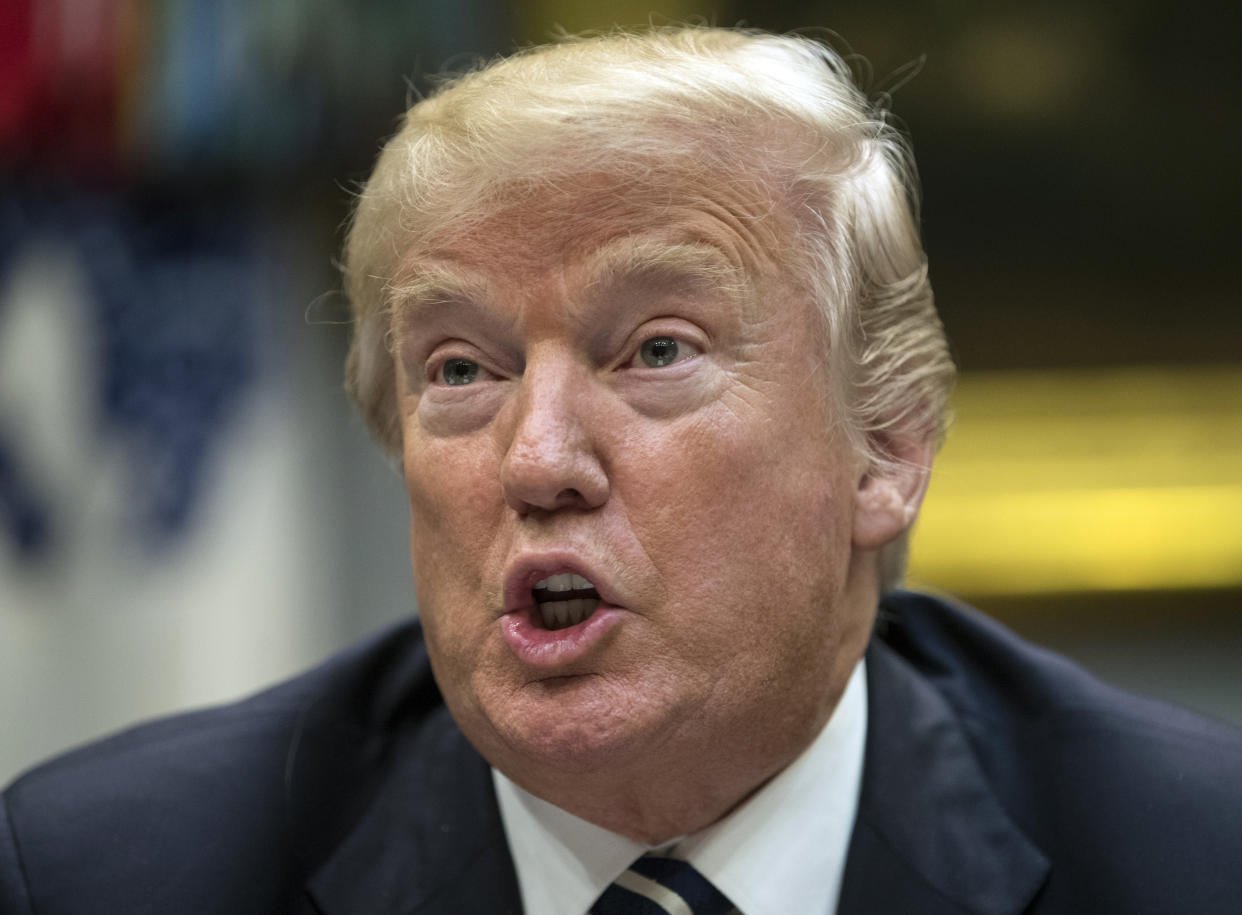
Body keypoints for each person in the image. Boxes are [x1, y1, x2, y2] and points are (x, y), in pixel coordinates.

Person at [2, 26, 1240, 915]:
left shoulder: (1193, 862)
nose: (538, 460)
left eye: (657, 351)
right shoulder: (102, 875)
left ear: (889, 446)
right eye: (461, 370)